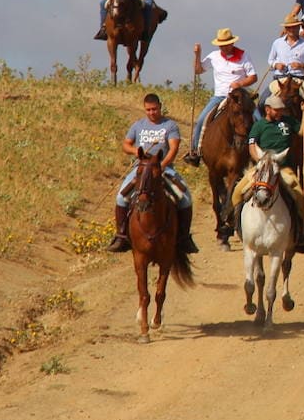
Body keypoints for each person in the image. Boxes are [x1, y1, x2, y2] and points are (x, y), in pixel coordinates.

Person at [107, 93, 198, 254]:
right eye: (148, 110)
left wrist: (161, 166)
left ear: (160, 107)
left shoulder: (170, 125)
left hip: (164, 168)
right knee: (121, 197)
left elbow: (173, 148)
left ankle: (184, 238)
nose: (151, 113)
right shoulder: (138, 125)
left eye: (154, 109)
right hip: (140, 169)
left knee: (185, 198)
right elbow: (126, 145)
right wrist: (137, 150)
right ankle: (121, 236)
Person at [232, 94, 304, 252]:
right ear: (267, 109)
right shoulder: (258, 125)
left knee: (299, 195)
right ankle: (236, 226)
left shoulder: (288, 122)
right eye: (277, 110)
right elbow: (252, 146)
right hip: (261, 167)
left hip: (283, 168)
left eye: (281, 110)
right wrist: (260, 160)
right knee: (237, 192)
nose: (280, 112)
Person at [183, 29, 258, 165]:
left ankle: (261, 150)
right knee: (202, 120)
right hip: (220, 96)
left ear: (232, 43)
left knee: (258, 118)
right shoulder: (214, 56)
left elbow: (253, 77)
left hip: (239, 96)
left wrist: (240, 83)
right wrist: (197, 55)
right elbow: (198, 70)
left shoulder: (243, 55)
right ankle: (195, 151)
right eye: (221, 45)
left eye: (226, 44)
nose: (223, 47)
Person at [257, 15, 304, 117]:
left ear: (299, 27)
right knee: (262, 101)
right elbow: (270, 60)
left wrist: (302, 65)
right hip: (280, 80)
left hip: (298, 81)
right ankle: (265, 126)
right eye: (289, 27)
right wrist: (276, 65)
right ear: (285, 28)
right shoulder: (277, 43)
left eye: (294, 27)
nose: (292, 29)